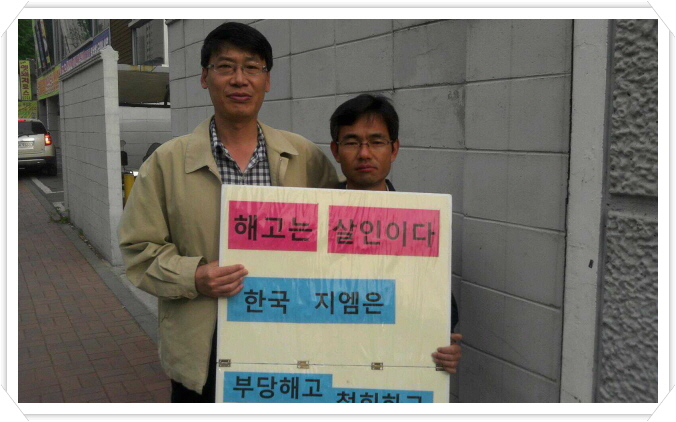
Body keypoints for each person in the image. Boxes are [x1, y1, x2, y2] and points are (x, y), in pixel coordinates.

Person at [118, 22, 338, 403]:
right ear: (205, 77)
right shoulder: (166, 163)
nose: (239, 79)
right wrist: (195, 276)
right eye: (225, 67)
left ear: (267, 80)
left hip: (290, 337)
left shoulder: (304, 157)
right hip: (205, 349)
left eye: (252, 67)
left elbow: (343, 236)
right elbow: (138, 251)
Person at [329, 94, 462, 374]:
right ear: (335, 151)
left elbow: (442, 309)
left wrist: (443, 345)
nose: (364, 153)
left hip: (391, 368)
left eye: (376, 142)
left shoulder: (419, 223)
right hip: (330, 360)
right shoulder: (313, 216)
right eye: (352, 142)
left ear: (394, 149)